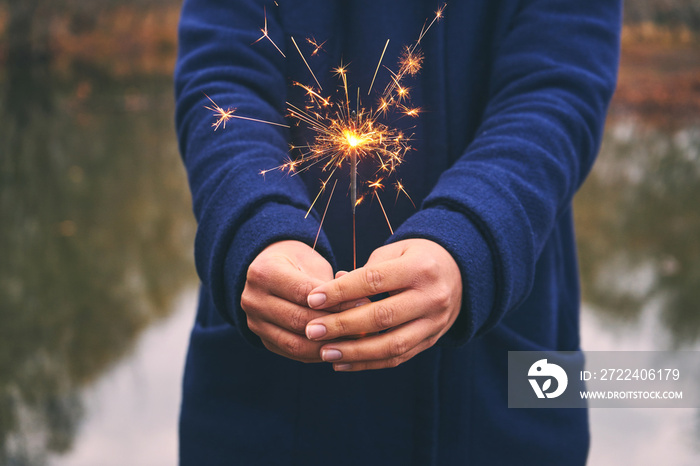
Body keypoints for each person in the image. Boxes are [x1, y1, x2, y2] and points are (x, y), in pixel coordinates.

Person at [174, 1, 621, 464]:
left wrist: (469, 239)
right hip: (265, 405)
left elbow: (559, 92)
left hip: (505, 389)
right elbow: (221, 77)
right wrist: (258, 225)